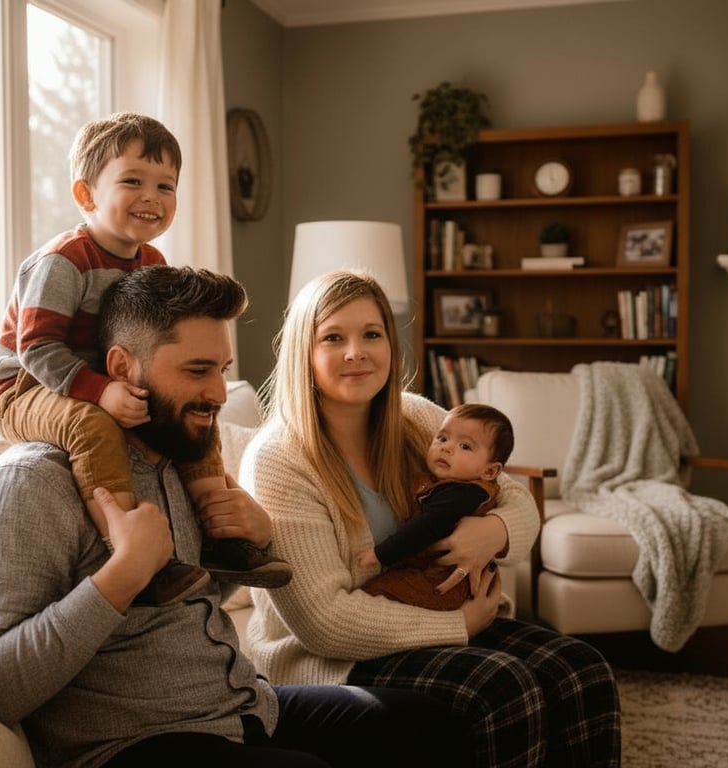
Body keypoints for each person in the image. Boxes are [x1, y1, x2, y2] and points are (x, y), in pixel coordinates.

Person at [0, 265, 471, 768]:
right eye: (197, 371)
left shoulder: (172, 460)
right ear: (121, 368)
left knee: (427, 722)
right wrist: (119, 578)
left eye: (222, 370)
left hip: (241, 709)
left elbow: (181, 605)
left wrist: (254, 546)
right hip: (129, 745)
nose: (220, 395)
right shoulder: (27, 485)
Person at [240, 270, 622, 768]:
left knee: (581, 669)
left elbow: (514, 497)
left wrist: (495, 531)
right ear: (303, 355)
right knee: (503, 687)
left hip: (432, 616)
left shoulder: (416, 419)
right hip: (334, 658)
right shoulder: (277, 460)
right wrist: (461, 624)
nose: (356, 351)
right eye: (334, 337)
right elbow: (325, 625)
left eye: (371, 334)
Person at [0, 112, 289, 604]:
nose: (152, 196)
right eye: (132, 181)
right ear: (86, 195)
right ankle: (129, 544)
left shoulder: (153, 264)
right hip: (24, 386)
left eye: (166, 186)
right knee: (93, 426)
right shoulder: (63, 261)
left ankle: (221, 533)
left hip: (102, 374)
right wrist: (101, 391)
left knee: (194, 414)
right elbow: (35, 348)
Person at [357, 402, 513, 611]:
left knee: (373, 596)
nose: (446, 447)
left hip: (445, 581)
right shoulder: (447, 483)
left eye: (465, 446)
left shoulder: (464, 494)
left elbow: (424, 528)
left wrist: (379, 554)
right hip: (432, 574)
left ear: (490, 472)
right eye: (442, 438)